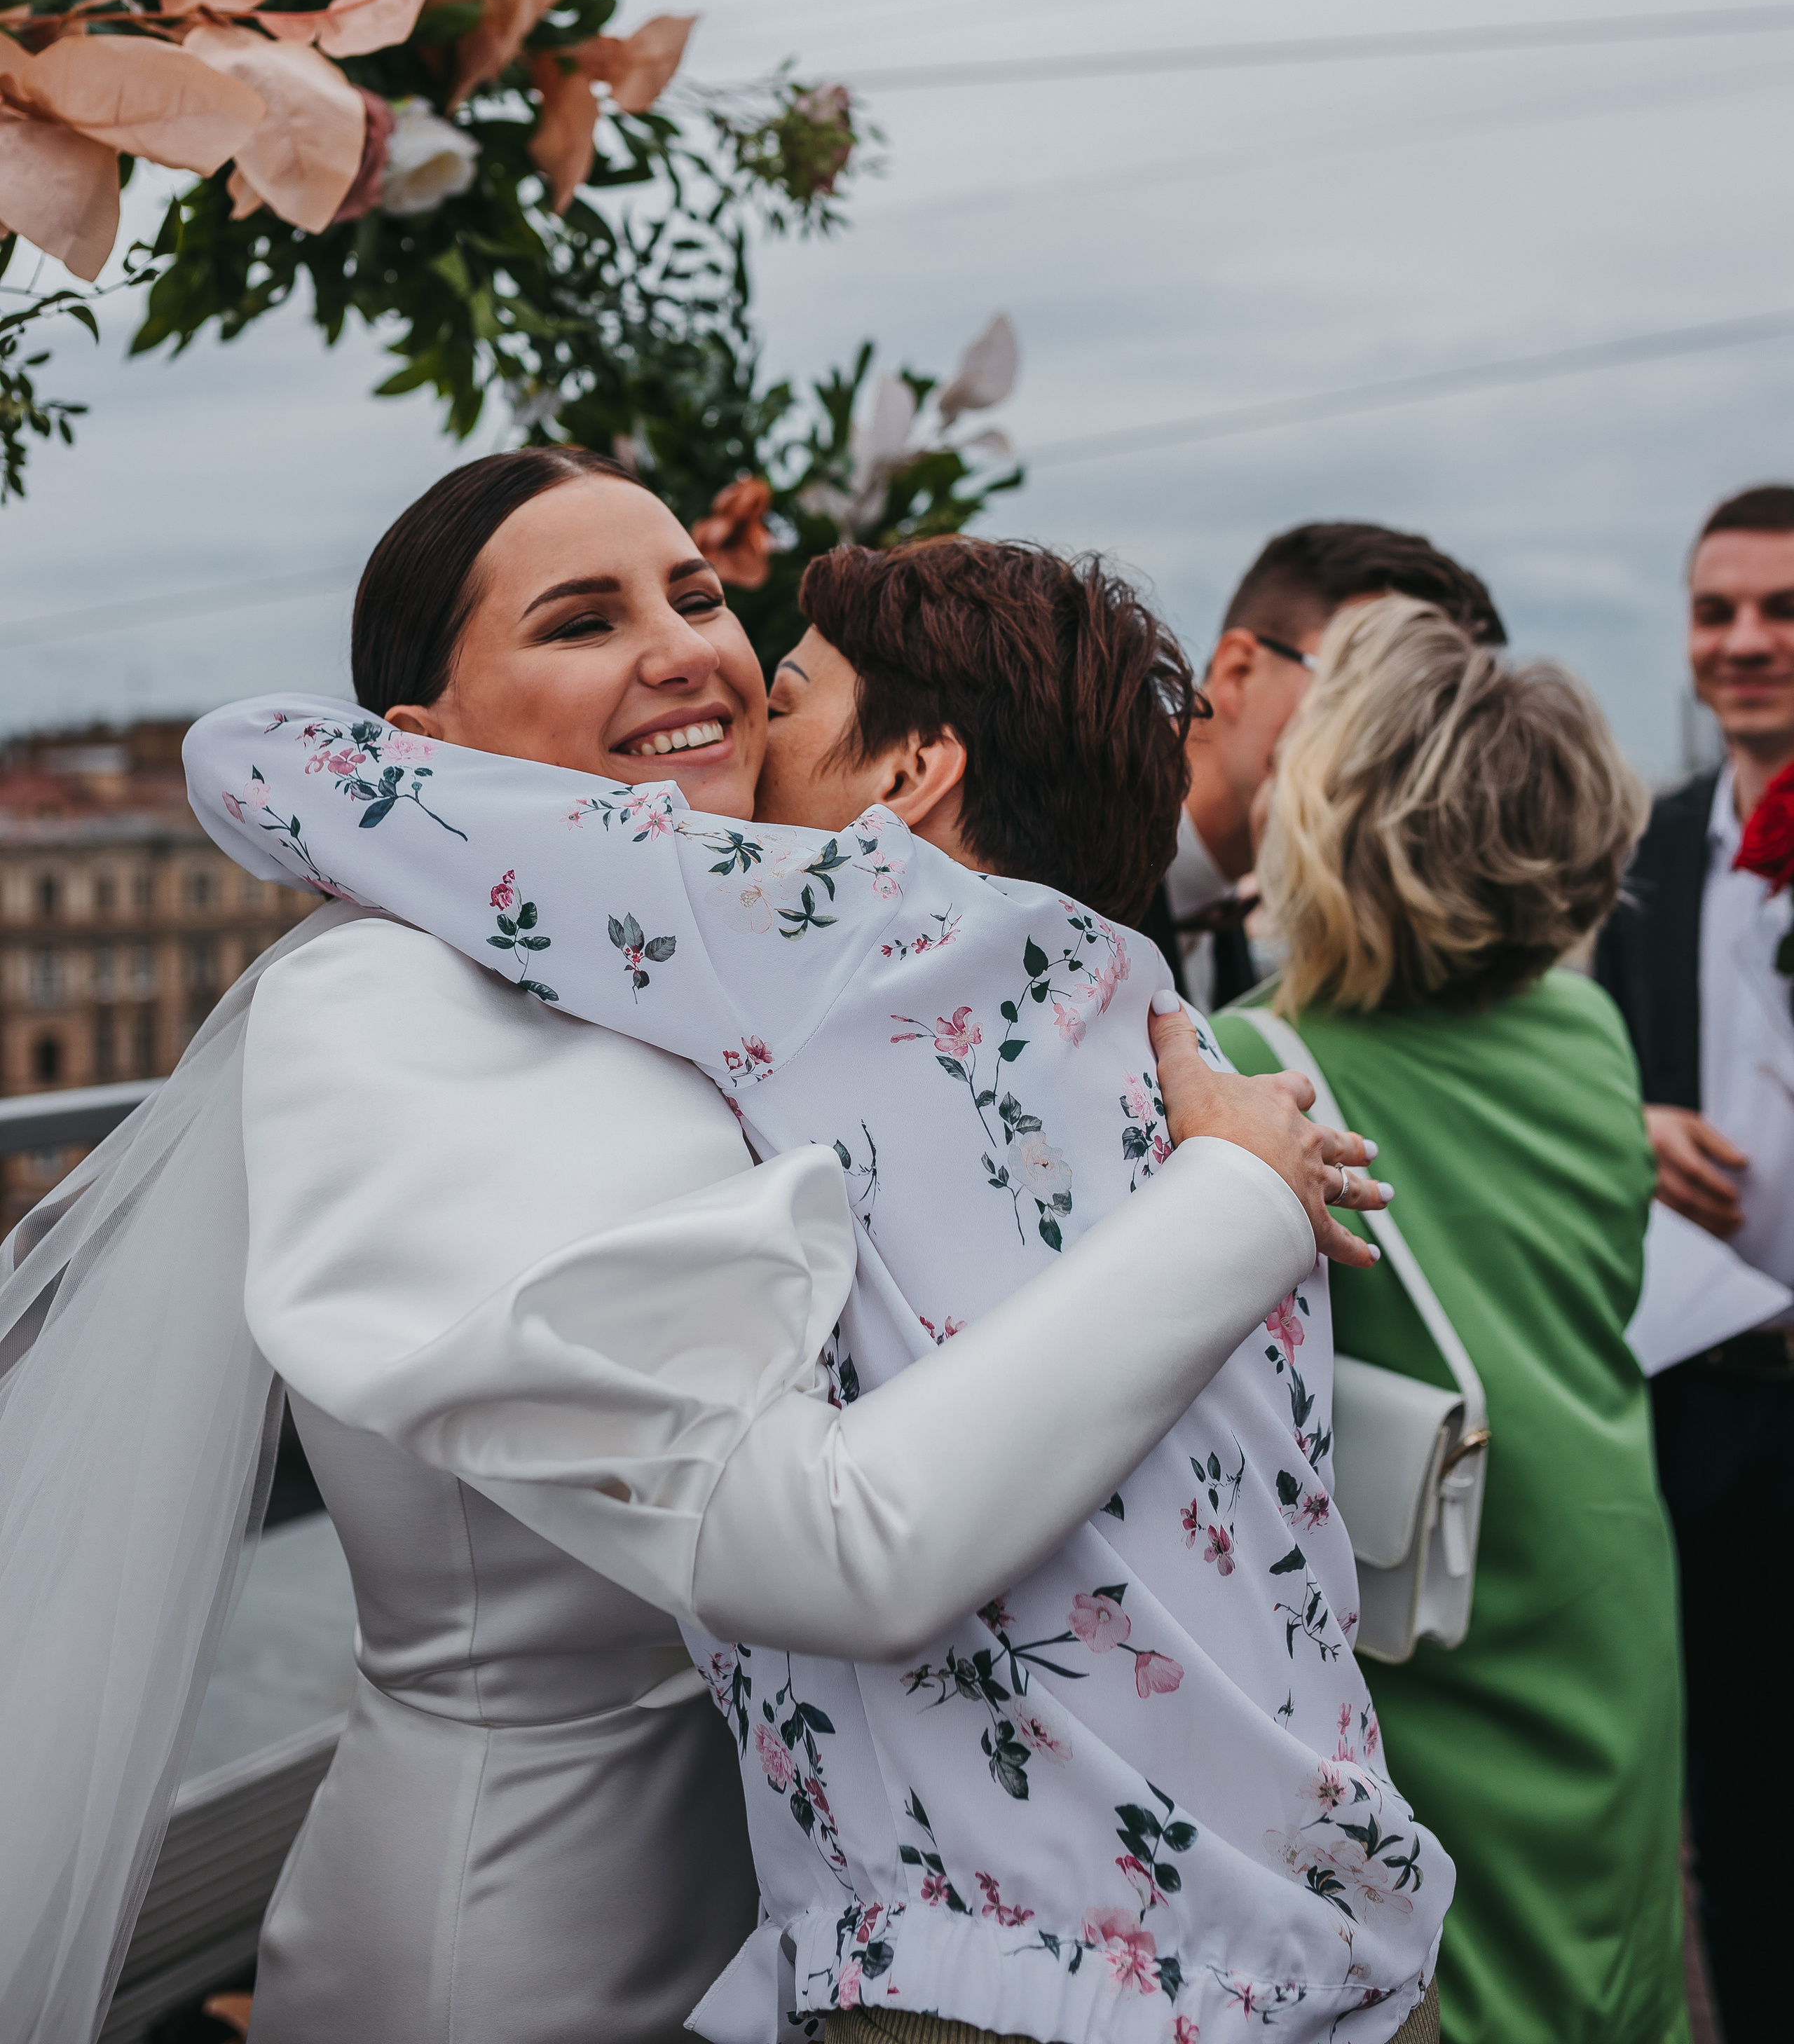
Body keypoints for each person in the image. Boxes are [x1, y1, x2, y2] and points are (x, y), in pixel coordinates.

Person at [0, 458, 1365, 2044]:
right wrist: (1231, 1195)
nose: (690, 653)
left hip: (827, 1914)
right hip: (534, 1935)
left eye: (703, 598)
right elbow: (824, 1539)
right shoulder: (382, 1003)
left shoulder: (723, 955)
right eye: (584, 620)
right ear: (421, 748)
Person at [1214, 595, 1687, 2044]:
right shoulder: (1585, 1030)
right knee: (1608, 1962)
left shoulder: (1255, 1069)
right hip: (1600, 1575)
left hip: (1427, 1619)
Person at [1594, 480, 1794, 2040]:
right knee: (1737, 1810)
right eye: (1715, 612)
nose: (1743, 642)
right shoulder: (1648, 852)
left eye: (1781, 611)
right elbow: (1583, 1069)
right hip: (1714, 1407)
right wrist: (1631, 1124)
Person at [1146, 523, 1506, 1010]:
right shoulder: (1060, 866)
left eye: (1451, 715)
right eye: (1373, 690)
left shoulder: (1223, 899)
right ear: (1240, 673)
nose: (1422, 750)